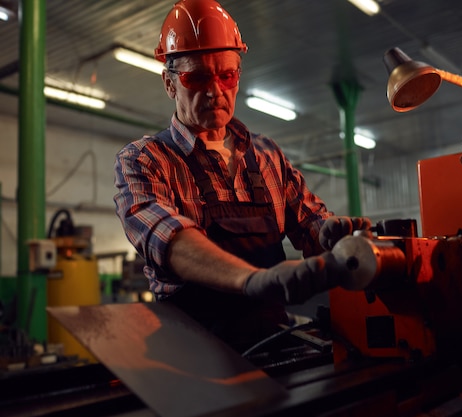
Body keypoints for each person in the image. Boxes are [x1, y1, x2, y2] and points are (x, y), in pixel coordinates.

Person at [113, 0, 370, 351]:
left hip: (275, 342)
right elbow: (169, 241)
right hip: (194, 353)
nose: (215, 90)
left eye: (226, 75)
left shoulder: (267, 155)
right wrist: (253, 280)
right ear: (170, 84)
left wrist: (332, 235)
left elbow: (312, 224)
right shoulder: (145, 160)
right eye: (196, 76)